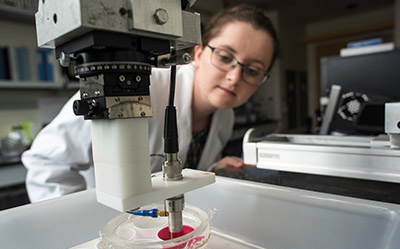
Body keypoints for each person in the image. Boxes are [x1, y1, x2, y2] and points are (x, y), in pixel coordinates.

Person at [22, 4, 279, 202]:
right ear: (198, 53)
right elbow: (47, 162)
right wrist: (82, 225)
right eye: (225, 57)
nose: (235, 77)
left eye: (253, 70)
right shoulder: (134, 85)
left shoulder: (225, 115)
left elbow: (179, 171)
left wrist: (213, 169)